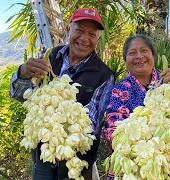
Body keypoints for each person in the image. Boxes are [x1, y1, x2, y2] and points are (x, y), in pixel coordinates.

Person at [9, 8, 114, 180]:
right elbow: (21, 96)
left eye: (91, 34)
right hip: (43, 156)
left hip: (76, 162)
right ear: (68, 30)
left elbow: (91, 124)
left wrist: (59, 135)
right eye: (79, 30)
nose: (84, 38)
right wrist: (22, 73)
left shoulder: (104, 74)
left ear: (97, 39)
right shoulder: (48, 57)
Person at [102, 34, 170, 180]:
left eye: (144, 51)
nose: (139, 56)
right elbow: (113, 131)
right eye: (132, 53)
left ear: (153, 55)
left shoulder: (169, 83)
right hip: (137, 165)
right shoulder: (119, 90)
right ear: (126, 60)